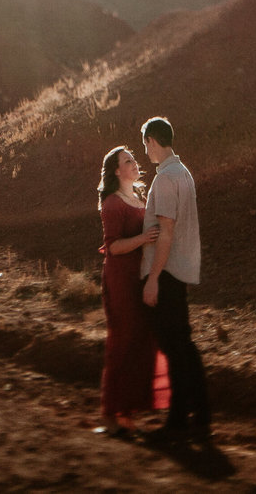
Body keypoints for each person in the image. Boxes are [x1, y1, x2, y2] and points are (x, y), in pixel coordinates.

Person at [138, 115, 211, 447]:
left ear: (153, 140)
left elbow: (165, 233)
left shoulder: (166, 178)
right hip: (179, 271)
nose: (146, 152)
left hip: (166, 272)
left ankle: (181, 418)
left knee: (173, 345)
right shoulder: (184, 174)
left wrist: (152, 278)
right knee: (183, 343)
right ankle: (199, 413)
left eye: (146, 145)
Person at [94, 145, 169, 436]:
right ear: (116, 171)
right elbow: (112, 247)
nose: (135, 163)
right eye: (128, 161)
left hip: (141, 276)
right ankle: (115, 413)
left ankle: (131, 409)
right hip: (121, 279)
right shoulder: (112, 204)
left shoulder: (138, 197)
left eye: (134, 159)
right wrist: (143, 239)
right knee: (123, 342)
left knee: (143, 338)